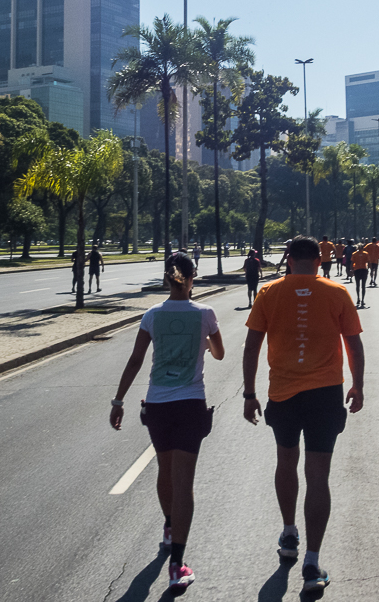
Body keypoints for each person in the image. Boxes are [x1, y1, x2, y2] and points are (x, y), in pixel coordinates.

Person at [243, 236, 365, 593]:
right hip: (325, 394)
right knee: (318, 475)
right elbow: (354, 342)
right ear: (319, 258)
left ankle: (289, 533)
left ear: (288, 258)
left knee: (286, 462)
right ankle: (312, 562)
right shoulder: (337, 292)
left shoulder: (268, 293)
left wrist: (249, 393)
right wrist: (357, 384)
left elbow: (252, 345)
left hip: (282, 393)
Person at [111, 252, 224, 594]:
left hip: (158, 405)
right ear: (193, 279)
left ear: (166, 278)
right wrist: (202, 342)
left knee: (165, 471)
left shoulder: (152, 315)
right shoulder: (205, 314)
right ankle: (177, 564)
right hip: (190, 404)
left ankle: (169, 527)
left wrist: (118, 401)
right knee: (184, 481)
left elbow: (135, 360)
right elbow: (219, 354)